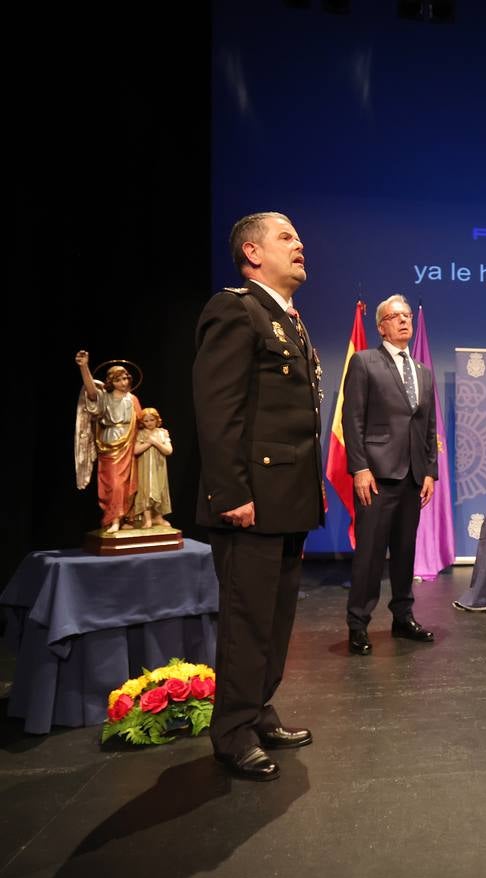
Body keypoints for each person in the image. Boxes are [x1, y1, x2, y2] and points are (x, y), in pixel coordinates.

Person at [193, 212, 326, 781]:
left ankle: (259, 707)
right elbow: (217, 410)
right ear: (252, 253)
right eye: (286, 238)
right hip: (250, 500)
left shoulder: (289, 321)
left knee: (275, 620)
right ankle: (231, 732)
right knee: (247, 620)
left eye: (299, 236)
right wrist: (230, 492)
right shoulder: (236, 309)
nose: (300, 245)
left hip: (288, 497)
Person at [341, 294, 438, 656]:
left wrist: (429, 472)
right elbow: (352, 420)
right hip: (376, 476)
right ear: (380, 326)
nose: (403, 321)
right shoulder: (365, 362)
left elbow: (427, 427)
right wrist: (360, 468)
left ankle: (403, 617)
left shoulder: (423, 372)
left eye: (407, 316)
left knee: (404, 552)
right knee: (368, 554)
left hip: (413, 476)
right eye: (395, 317)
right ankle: (358, 624)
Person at [75, 353, 142, 533]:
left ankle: (123, 518)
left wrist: (156, 433)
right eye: (120, 379)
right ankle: (113, 518)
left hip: (128, 444)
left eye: (126, 378)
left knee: (127, 484)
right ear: (112, 381)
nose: (124, 382)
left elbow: (142, 422)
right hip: (109, 444)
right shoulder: (105, 397)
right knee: (113, 483)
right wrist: (84, 367)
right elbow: (90, 392)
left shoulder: (133, 399)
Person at [132, 407, 173, 529]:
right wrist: (148, 443)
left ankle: (158, 517)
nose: (149, 423)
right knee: (146, 491)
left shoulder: (162, 433)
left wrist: (155, 442)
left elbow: (169, 450)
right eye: (146, 421)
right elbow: (135, 450)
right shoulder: (141, 433)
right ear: (142, 422)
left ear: (157, 420)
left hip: (159, 468)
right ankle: (148, 519)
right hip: (144, 469)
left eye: (152, 420)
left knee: (159, 490)